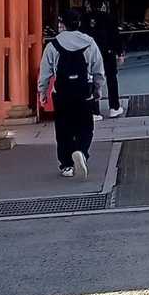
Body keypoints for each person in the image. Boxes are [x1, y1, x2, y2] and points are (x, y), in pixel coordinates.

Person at [37, 9, 105, 178]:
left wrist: (42, 92)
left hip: (62, 93)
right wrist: (98, 89)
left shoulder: (53, 45)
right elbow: (98, 69)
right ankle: (81, 150)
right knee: (86, 126)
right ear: (78, 23)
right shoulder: (89, 42)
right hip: (84, 92)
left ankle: (67, 165)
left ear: (62, 24)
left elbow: (45, 72)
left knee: (63, 128)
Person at [86, 5, 124, 119]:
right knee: (111, 79)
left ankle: (95, 111)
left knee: (93, 80)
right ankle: (114, 107)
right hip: (108, 51)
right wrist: (120, 52)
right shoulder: (109, 17)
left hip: (92, 53)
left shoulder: (85, 18)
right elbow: (115, 35)